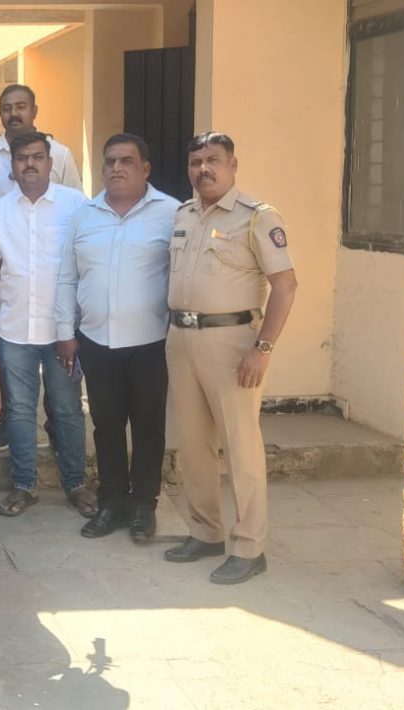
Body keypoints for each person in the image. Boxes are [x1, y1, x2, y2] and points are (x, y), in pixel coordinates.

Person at [163, 131, 298, 584]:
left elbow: (285, 286)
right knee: (193, 445)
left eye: (214, 160)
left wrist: (263, 349)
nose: (204, 169)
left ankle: (249, 546)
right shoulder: (184, 215)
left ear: (233, 165)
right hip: (182, 339)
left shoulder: (257, 217)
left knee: (241, 447)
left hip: (232, 343)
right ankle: (205, 532)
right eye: (196, 162)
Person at [55, 134, 180, 538]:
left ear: (145, 169)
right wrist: (65, 332)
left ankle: (143, 505)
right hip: (96, 340)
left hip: (150, 342)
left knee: (148, 426)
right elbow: (67, 277)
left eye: (126, 161)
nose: (116, 168)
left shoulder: (172, 213)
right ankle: (111, 502)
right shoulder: (84, 215)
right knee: (106, 425)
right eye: (109, 161)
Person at [0, 132, 89, 517]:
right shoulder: (0, 212)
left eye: (37, 157)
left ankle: (76, 484)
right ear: (12, 166)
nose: (30, 164)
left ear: (50, 163)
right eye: (22, 158)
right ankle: (24, 484)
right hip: (14, 330)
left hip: (63, 333)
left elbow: (89, 264)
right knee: (20, 410)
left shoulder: (76, 205)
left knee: (67, 408)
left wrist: (81, 326)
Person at [0, 84, 82, 201]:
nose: (13, 114)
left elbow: (78, 203)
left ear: (34, 111)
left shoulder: (59, 153)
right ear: (0, 114)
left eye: (21, 107)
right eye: (7, 109)